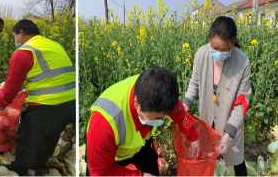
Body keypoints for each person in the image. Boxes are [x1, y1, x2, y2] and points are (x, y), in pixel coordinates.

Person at [0, 19, 76, 176]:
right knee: (50, 137)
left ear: (21, 33)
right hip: (71, 104)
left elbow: (10, 89)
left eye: (14, 36)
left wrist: (0, 103)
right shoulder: (55, 45)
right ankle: (37, 165)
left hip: (47, 106)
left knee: (25, 138)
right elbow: (55, 75)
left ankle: (18, 170)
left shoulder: (24, 52)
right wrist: (30, 89)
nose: (15, 41)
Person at [86, 67, 200, 176]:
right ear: (137, 103)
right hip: (113, 156)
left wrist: (193, 136)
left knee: (152, 167)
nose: (161, 121)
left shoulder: (159, 90)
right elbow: (101, 172)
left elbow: (179, 112)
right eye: (155, 118)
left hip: (140, 145)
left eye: (164, 116)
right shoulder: (104, 124)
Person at [183, 16, 251, 176]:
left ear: (233, 42)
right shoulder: (201, 54)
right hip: (207, 116)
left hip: (229, 119)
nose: (218, 53)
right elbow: (194, 83)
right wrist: (185, 105)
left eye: (224, 49)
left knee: (236, 159)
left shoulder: (242, 62)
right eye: (214, 47)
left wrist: (227, 134)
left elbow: (242, 102)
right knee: (204, 156)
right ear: (209, 39)